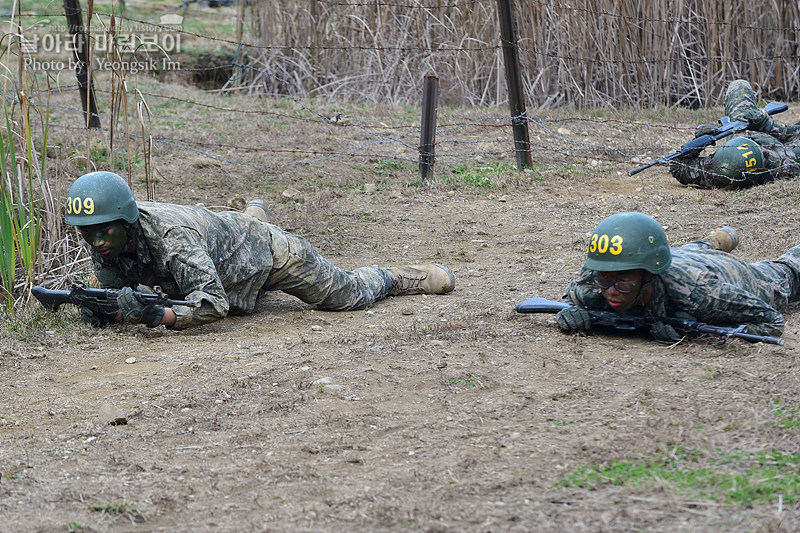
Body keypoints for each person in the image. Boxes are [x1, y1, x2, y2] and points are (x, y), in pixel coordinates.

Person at [64, 171, 455, 330]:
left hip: (267, 256)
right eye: (87, 234)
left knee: (343, 296)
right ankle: (250, 217)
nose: (97, 243)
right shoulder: (107, 239)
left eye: (104, 232)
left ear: (127, 220)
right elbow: (118, 293)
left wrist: (154, 315)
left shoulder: (173, 239)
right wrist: (110, 310)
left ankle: (403, 277)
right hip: (223, 244)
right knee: (235, 231)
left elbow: (213, 304)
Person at [555, 211, 800, 341]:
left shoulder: (700, 294)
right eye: (605, 280)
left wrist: (701, 330)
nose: (610, 290)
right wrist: (569, 311)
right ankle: (718, 239)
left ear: (649, 276)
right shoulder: (600, 273)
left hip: (738, 277)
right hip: (683, 255)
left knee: (789, 270)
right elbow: (573, 294)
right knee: (690, 251)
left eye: (622, 282)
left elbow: (772, 322)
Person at [669, 79, 800, 188]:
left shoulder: (733, 163)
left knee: (739, 86)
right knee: (740, 86)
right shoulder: (734, 163)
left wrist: (699, 141)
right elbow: (790, 133)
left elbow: (679, 167)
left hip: (747, 155)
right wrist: (767, 124)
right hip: (757, 139)